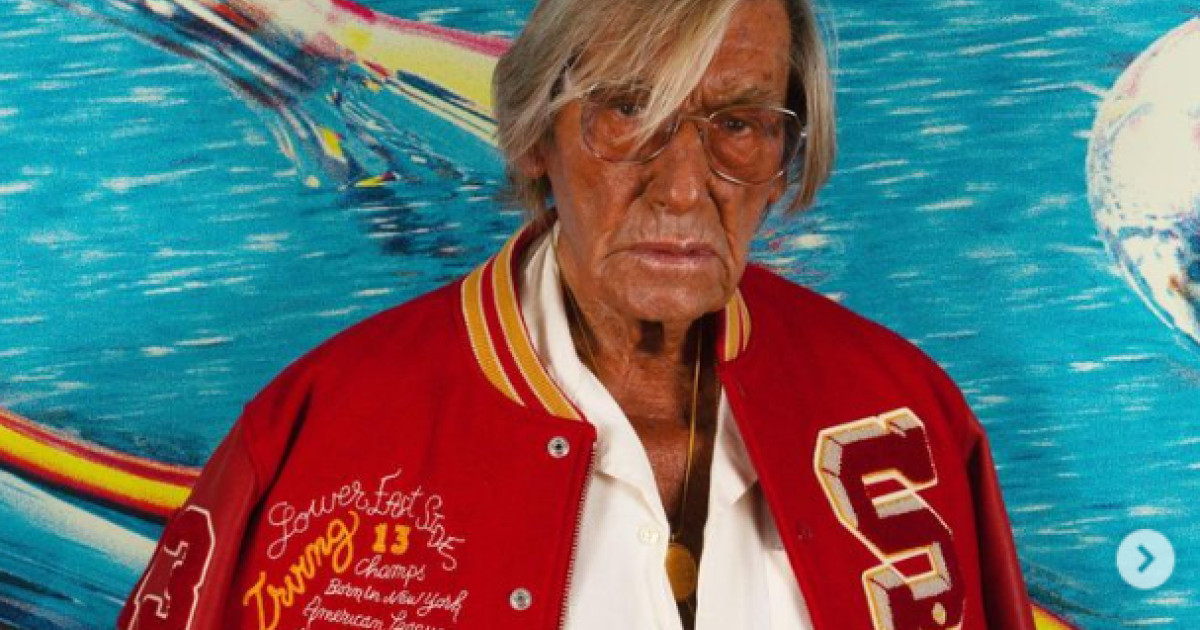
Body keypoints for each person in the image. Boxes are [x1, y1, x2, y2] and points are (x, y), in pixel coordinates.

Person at [120, 0, 1035, 628]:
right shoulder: (316, 433)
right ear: (536, 139)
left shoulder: (902, 406)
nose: (683, 189)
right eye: (628, 112)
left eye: (738, 124)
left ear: (786, 157)